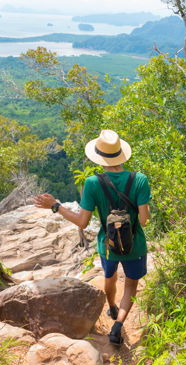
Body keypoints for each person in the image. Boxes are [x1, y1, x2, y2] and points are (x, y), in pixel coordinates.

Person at [33, 129, 151, 346]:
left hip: (108, 245)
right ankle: (118, 326)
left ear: (99, 157)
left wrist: (56, 206)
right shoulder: (140, 180)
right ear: (120, 153)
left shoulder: (92, 183)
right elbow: (144, 221)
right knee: (131, 286)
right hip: (135, 246)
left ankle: (112, 307)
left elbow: (82, 222)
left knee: (110, 276)